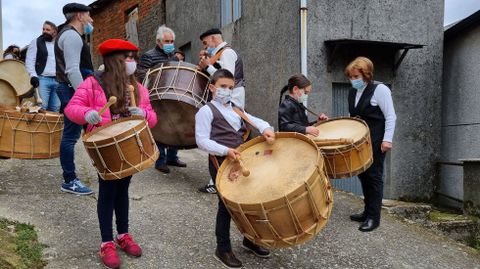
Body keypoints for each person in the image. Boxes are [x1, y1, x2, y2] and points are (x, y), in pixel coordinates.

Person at [64, 39, 157, 269]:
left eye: (133, 58)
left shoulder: (138, 86)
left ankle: (123, 234)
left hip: (128, 146)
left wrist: (143, 113)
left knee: (123, 190)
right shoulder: (93, 83)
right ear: (115, 60)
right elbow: (71, 109)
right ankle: (106, 242)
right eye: (128, 58)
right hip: (105, 148)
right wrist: (87, 114)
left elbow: (153, 118)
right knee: (107, 192)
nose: (132, 62)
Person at [195, 69, 275, 268]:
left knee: (250, 200)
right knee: (227, 206)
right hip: (221, 163)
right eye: (222, 87)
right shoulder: (205, 111)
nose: (227, 91)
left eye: (230, 87)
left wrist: (266, 129)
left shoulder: (235, 108)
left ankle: (250, 239)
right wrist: (225, 150)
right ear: (212, 88)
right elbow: (202, 140)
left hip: (241, 159)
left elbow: (255, 120)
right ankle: (222, 248)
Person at [345, 56, 396, 232]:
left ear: (366, 74)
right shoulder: (352, 92)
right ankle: (367, 211)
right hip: (360, 142)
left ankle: (374, 218)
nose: (353, 80)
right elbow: (353, 117)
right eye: (350, 77)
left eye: (356, 77)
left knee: (374, 177)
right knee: (363, 176)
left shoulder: (380, 89)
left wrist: (387, 140)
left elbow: (390, 115)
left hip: (376, 141)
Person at [197, 28, 246, 194]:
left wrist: (208, 66)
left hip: (234, 97)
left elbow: (227, 77)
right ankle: (217, 179)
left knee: (226, 136)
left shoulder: (227, 53)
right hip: (229, 98)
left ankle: (218, 181)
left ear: (212, 38)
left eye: (206, 43)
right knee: (219, 136)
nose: (205, 47)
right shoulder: (218, 54)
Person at [55, 2, 95, 195]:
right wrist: (83, 95)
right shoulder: (71, 35)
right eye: (89, 15)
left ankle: (103, 168)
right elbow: (72, 70)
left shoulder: (70, 34)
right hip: (72, 90)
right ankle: (69, 180)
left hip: (72, 89)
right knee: (70, 137)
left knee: (91, 129)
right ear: (80, 15)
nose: (91, 20)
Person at [136, 25, 186, 174]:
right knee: (160, 128)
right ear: (158, 41)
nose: (170, 44)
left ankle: (172, 157)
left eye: (172, 41)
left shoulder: (173, 56)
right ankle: (160, 160)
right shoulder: (149, 56)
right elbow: (141, 75)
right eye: (166, 41)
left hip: (172, 96)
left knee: (175, 125)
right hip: (156, 97)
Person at [25, 21, 61, 112]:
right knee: (42, 107)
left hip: (57, 80)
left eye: (48, 29)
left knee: (55, 108)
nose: (44, 31)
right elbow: (30, 60)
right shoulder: (36, 42)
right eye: (43, 29)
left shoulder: (59, 44)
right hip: (42, 79)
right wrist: (33, 75)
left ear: (54, 32)